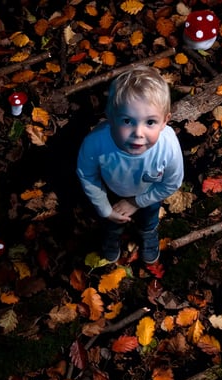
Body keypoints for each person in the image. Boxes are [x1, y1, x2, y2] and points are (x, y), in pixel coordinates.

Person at [76, 65, 184, 264]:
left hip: (150, 193)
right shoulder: (96, 143)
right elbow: (87, 174)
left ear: (164, 121)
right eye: (127, 120)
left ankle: (148, 231)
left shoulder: (168, 147)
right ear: (110, 117)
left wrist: (136, 202)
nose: (138, 133)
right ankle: (113, 233)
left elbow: (171, 183)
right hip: (112, 191)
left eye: (150, 122)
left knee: (149, 217)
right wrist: (104, 208)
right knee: (112, 221)